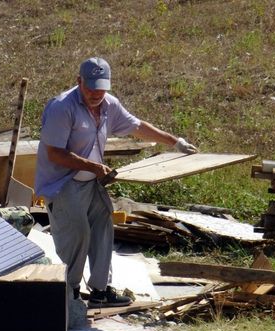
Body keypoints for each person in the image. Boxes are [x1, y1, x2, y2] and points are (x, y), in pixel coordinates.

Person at [35, 57, 198, 308]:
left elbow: (136, 126)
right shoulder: (61, 107)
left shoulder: (109, 104)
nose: (96, 94)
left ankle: (100, 291)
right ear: (79, 81)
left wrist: (174, 142)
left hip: (92, 184)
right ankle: (69, 293)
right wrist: (95, 167)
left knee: (102, 229)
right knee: (77, 234)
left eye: (101, 88)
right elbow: (54, 153)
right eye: (90, 88)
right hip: (63, 183)